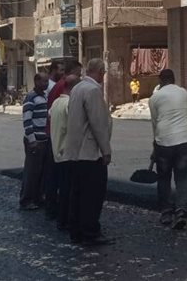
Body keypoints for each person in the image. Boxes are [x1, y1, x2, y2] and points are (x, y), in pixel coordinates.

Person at [65, 58, 113, 246]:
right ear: (100, 72)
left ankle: (76, 230)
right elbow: (98, 123)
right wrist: (106, 150)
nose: (103, 76)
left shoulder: (77, 88)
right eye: (103, 72)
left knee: (77, 193)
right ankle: (90, 231)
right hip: (90, 152)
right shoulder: (92, 90)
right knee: (92, 195)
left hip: (75, 151)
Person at [149, 68, 187, 229]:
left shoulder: (154, 98)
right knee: (182, 177)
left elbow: (155, 123)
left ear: (160, 81)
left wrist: (155, 145)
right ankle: (181, 211)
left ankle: (166, 212)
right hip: (185, 140)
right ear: (174, 79)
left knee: (164, 177)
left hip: (164, 142)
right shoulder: (184, 93)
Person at [45, 60, 82, 226]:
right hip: (63, 147)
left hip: (55, 141)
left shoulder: (57, 94)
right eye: (79, 74)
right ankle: (62, 215)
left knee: (54, 179)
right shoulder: (64, 94)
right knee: (64, 183)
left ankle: (53, 210)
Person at [19, 73, 49, 211]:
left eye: (47, 81)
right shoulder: (31, 98)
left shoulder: (44, 96)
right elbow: (27, 120)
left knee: (41, 172)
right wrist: (32, 140)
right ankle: (26, 200)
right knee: (31, 172)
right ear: (36, 81)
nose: (46, 84)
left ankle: (37, 198)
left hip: (44, 139)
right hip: (35, 141)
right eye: (44, 81)